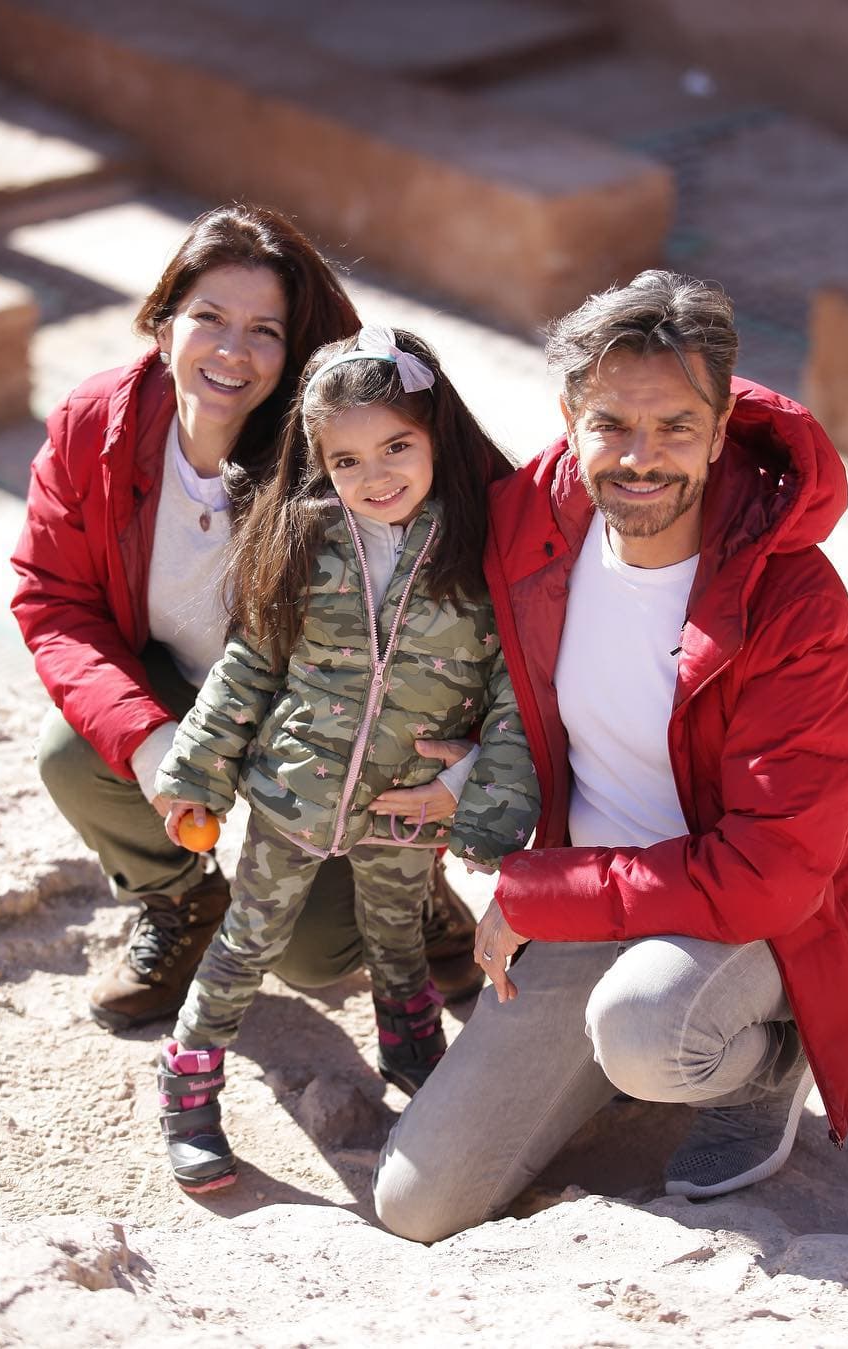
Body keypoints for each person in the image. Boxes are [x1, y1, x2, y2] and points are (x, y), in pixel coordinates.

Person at [373, 270, 848, 1242]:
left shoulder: (794, 605)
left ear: (719, 428)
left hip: (760, 918)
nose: (640, 458)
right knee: (416, 1201)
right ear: (571, 415)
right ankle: (626, 1050)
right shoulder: (537, 520)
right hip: (598, 899)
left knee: (647, 1033)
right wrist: (483, 767)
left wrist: (539, 892)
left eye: (674, 427)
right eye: (613, 423)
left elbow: (767, 872)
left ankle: (766, 1060)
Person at [10, 205, 481, 1035]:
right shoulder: (97, 426)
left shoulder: (340, 446)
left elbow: (490, 546)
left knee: (312, 957)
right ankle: (183, 901)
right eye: (209, 319)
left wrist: (476, 752)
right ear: (162, 322)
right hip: (188, 692)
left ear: (294, 349)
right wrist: (150, 743)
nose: (232, 352)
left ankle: (412, 892)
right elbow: (54, 599)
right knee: (74, 755)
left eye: (265, 330)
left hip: (329, 724)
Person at [152, 325, 541, 1192]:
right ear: (319, 465)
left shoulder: (483, 555)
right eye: (348, 460)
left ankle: (409, 1044)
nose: (378, 476)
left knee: (397, 928)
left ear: (438, 433)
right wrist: (196, 770)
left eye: (398, 445)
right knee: (249, 935)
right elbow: (249, 664)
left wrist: (466, 781)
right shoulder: (302, 541)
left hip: (409, 801)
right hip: (297, 789)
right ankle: (190, 1072)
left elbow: (516, 687)